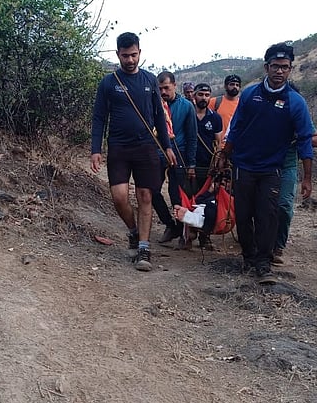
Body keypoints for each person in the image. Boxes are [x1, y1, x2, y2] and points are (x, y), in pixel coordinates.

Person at [221, 43, 315, 284]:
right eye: (275, 66)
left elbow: (305, 139)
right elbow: (236, 127)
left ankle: (264, 264)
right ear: (266, 67)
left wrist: (307, 177)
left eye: (285, 67)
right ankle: (248, 257)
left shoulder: (296, 102)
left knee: (268, 214)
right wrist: (223, 156)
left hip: (273, 168)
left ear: (290, 69)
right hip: (243, 165)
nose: (279, 71)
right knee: (243, 215)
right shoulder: (250, 95)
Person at [91, 32, 176, 272]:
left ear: (140, 52)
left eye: (134, 55)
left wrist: (167, 147)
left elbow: (160, 116)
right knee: (119, 196)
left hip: (146, 147)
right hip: (118, 147)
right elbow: (99, 117)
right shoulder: (109, 82)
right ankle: (133, 231)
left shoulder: (149, 80)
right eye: (125, 55)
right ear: (117, 54)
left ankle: (144, 248)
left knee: (146, 196)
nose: (130, 60)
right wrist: (95, 149)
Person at [153, 71, 197, 244]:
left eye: (166, 88)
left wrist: (191, 163)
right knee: (152, 190)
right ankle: (170, 224)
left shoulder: (186, 106)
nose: (163, 92)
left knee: (176, 194)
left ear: (174, 86)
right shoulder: (154, 105)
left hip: (180, 154)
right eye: (160, 88)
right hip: (156, 153)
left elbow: (192, 136)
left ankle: (183, 230)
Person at [273, 120, 317, 266]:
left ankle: (278, 246)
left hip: (288, 166)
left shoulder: (296, 111)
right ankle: (262, 244)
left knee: (284, 206)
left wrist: (299, 138)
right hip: (264, 163)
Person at [192, 83, 223, 178]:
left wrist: (214, 164)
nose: (204, 98)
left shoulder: (215, 117)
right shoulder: (188, 115)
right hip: (189, 163)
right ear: (194, 96)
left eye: (207, 95)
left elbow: (218, 143)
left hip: (208, 164)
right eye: (200, 94)